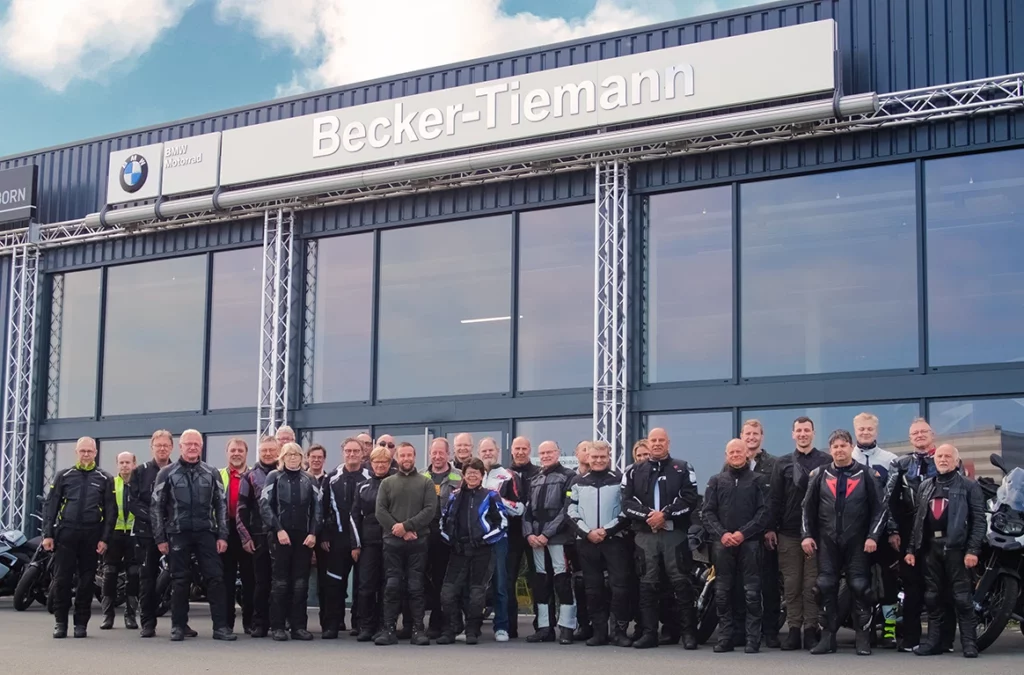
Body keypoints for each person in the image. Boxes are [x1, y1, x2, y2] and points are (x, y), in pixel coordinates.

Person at [801, 429, 885, 656]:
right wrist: (807, 535)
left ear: (851, 447)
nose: (839, 450)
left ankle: (863, 639)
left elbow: (880, 509)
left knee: (860, 587)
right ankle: (827, 639)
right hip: (827, 541)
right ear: (831, 450)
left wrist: (873, 536)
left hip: (858, 542)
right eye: (835, 447)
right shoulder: (819, 474)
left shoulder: (866, 474)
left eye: (843, 446)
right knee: (824, 586)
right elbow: (807, 508)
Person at [151, 429, 236, 642]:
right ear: (180, 447)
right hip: (177, 532)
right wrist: (160, 538)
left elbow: (221, 506)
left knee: (216, 579)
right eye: (188, 444)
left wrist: (223, 535)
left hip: (206, 532)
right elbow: (156, 507)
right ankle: (178, 626)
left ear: (201, 447)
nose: (192, 447)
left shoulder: (211, 472)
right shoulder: (166, 473)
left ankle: (221, 627)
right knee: (179, 580)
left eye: (196, 444)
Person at [621, 428, 700, 650]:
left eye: (661, 440)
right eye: (653, 440)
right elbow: (626, 503)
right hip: (645, 536)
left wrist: (664, 515)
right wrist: (649, 517)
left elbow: (690, 499)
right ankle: (648, 633)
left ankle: (688, 634)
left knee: (681, 583)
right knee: (647, 584)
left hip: (674, 534)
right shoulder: (633, 471)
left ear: (668, 443)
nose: (657, 444)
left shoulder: (683, 468)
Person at [904, 444, 984, 658]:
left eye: (948, 456)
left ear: (956, 461)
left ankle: (969, 644)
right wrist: (912, 548)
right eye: (939, 456)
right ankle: (933, 642)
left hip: (957, 549)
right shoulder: (926, 486)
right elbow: (918, 520)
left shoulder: (969, 486)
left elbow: (978, 522)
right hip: (931, 548)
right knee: (932, 597)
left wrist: (973, 550)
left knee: (962, 598)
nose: (943, 459)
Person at [42, 436, 114, 639]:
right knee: (62, 580)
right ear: (76, 452)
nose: (86, 454)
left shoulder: (104, 478)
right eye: (82, 451)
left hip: (92, 535)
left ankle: (80, 624)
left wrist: (105, 539)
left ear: (95, 453)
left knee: (86, 582)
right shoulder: (64, 475)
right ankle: (60, 623)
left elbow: (111, 512)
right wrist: (48, 534)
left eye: (89, 451)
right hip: (66, 533)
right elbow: (51, 506)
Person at [768, 416, 830, 651]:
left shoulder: (826, 460)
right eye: (799, 430)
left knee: (811, 585)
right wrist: (770, 528)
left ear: (813, 433)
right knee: (792, 585)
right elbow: (774, 499)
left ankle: (811, 630)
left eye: (807, 430)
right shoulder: (782, 463)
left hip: (816, 534)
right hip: (788, 533)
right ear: (792, 434)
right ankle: (794, 630)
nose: (803, 434)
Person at [701, 439, 768, 654]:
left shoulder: (759, 480)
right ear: (726, 455)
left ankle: (752, 640)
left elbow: (764, 513)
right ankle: (725, 638)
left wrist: (742, 533)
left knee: (751, 593)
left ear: (746, 454)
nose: (736, 455)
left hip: (750, 544)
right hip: (722, 545)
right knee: (722, 593)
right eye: (732, 452)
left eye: (739, 451)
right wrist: (723, 534)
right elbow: (707, 512)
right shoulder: (716, 481)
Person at [881, 417, 940, 652]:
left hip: (938, 531)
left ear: (932, 434)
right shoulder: (900, 463)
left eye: (923, 432)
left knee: (940, 586)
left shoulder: (945, 458)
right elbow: (889, 499)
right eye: (915, 433)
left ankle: (943, 639)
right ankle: (911, 638)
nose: (919, 436)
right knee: (912, 586)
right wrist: (893, 530)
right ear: (910, 438)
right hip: (907, 531)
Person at [436, 458, 507, 645]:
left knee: (477, 593)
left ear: (482, 475)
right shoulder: (454, 495)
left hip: (482, 551)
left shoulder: (491, 495)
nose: (473, 475)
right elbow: (443, 520)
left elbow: (502, 523)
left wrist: (484, 540)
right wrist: (449, 539)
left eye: (477, 472)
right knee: (448, 593)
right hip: (458, 550)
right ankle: (451, 628)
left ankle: (472, 630)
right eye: (469, 472)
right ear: (464, 475)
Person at [567, 440, 631, 647]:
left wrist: (607, 530)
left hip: (614, 541)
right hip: (586, 542)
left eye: (602, 456)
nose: (598, 460)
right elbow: (570, 510)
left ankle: (619, 632)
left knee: (619, 587)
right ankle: (599, 632)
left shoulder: (620, 480)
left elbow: (626, 509)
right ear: (588, 457)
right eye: (594, 457)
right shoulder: (576, 481)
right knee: (592, 589)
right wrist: (587, 533)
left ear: (609, 457)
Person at [374, 442, 437, 646]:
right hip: (392, 542)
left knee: (415, 586)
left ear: (415, 456)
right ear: (397, 457)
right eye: (402, 455)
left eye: (409, 455)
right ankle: (389, 628)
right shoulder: (387, 483)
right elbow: (380, 511)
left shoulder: (425, 482)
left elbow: (430, 510)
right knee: (392, 586)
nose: (406, 459)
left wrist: (408, 527)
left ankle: (418, 630)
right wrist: (398, 529)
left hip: (418, 542)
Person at [260, 442, 322, 641]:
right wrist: (278, 530)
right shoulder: (274, 477)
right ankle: (277, 626)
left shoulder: (310, 478)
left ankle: (298, 627)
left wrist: (313, 533)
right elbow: (265, 506)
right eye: (289, 455)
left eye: (296, 454)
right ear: (282, 457)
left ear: (301, 457)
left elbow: (318, 509)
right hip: (280, 537)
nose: (293, 458)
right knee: (280, 583)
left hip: (303, 537)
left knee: (300, 584)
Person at [850, 412, 900, 648]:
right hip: (857, 535)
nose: (865, 432)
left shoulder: (891, 459)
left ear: (876, 432)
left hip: (883, 533)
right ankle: (866, 629)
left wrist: (893, 531)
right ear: (855, 431)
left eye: (869, 429)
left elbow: (894, 500)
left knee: (889, 583)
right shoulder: (846, 457)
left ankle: (889, 631)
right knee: (861, 584)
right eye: (861, 429)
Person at [523, 440, 578, 645]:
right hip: (536, 541)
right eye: (542, 453)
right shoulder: (535, 478)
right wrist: (529, 534)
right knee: (541, 583)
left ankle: (566, 627)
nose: (546, 456)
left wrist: (547, 534)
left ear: (558, 452)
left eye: (549, 452)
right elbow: (527, 511)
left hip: (558, 539)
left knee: (562, 582)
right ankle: (545, 628)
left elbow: (567, 510)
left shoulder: (569, 476)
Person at [320, 438, 370, 639]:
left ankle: (359, 623)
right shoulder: (332, 477)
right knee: (335, 583)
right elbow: (321, 509)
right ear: (342, 452)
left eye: (355, 451)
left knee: (362, 583)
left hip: (363, 540)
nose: (352, 454)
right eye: (348, 451)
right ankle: (333, 624)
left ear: (362, 453)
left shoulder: (370, 476)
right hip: (337, 539)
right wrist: (323, 534)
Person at [129, 430, 175, 638]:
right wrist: (155, 520)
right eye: (159, 445)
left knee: (180, 578)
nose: (162, 448)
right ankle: (148, 623)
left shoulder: (179, 470)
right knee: (147, 579)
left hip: (174, 532)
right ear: (152, 447)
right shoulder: (140, 471)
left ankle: (180, 622)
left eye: (166, 445)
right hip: (146, 534)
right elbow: (133, 503)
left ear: (172, 447)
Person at [479, 436, 524, 642]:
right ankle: (472, 625)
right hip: (476, 539)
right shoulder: (474, 474)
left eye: (490, 450)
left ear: (497, 451)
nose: (487, 454)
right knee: (475, 584)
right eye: (484, 451)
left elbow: (520, 508)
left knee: (500, 583)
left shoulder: (509, 476)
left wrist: (496, 500)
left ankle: (502, 626)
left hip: (499, 538)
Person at [236, 435, 280, 638]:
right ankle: (259, 623)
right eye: (264, 450)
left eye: (272, 450)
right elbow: (241, 509)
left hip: (283, 536)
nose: (268, 453)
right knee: (260, 583)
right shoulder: (250, 477)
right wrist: (246, 537)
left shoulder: (286, 474)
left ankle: (279, 621)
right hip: (259, 536)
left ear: (279, 451)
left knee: (280, 582)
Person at [741, 419, 780, 648]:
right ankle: (743, 631)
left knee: (769, 584)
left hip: (765, 534)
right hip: (741, 536)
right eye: (748, 433)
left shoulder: (773, 463)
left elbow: (776, 500)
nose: (751, 437)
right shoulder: (733, 461)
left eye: (755, 433)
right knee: (742, 585)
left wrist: (771, 528)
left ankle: (771, 631)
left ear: (762, 437)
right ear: (742, 435)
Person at [353, 447, 395, 641]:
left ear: (389, 464)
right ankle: (366, 626)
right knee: (366, 586)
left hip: (391, 542)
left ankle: (384, 625)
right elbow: (354, 516)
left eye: (384, 462)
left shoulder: (396, 484)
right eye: (376, 462)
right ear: (370, 463)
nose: (380, 465)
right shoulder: (362, 486)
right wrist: (356, 544)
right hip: (369, 542)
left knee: (387, 586)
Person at [422, 437, 462, 639]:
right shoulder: (422, 477)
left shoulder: (459, 476)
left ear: (448, 454)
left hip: (448, 538)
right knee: (423, 581)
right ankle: (426, 623)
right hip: (425, 536)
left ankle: (445, 624)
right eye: (434, 452)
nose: (437, 456)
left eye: (441, 452)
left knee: (444, 582)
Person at [101, 451, 139, 631]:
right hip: (114, 534)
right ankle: (107, 616)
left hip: (133, 535)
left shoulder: (138, 484)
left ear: (134, 464)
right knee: (110, 574)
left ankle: (130, 615)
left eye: (128, 462)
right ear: (117, 465)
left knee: (133, 574)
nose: (125, 465)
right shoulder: (111, 483)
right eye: (121, 462)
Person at [220, 437, 254, 635]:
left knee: (251, 579)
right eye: (233, 450)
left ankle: (249, 622)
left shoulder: (253, 475)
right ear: (227, 453)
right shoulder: (219, 475)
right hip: (226, 531)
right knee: (226, 579)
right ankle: (227, 623)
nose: (236, 453)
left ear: (246, 453)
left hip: (248, 532)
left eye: (240, 450)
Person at [507, 435, 540, 638]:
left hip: (534, 534)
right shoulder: (504, 474)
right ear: (511, 450)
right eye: (517, 448)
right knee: (509, 579)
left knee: (537, 579)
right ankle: (510, 627)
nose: (520, 452)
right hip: (511, 534)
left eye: (524, 448)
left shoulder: (539, 474)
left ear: (530, 450)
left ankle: (542, 626)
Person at [305, 443, 330, 633]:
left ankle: (328, 622)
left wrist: (323, 536)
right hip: (303, 538)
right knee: (299, 581)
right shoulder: (301, 479)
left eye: (319, 457)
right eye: (313, 457)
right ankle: (296, 622)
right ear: (307, 458)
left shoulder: (330, 480)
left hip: (323, 539)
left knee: (324, 583)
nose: (316, 460)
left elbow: (329, 511)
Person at [568, 440, 592, 642]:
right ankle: (583, 624)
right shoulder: (571, 478)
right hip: (576, 538)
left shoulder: (609, 477)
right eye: (583, 449)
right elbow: (567, 508)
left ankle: (603, 626)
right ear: (576, 453)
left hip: (602, 538)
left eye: (589, 450)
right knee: (579, 581)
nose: (587, 453)